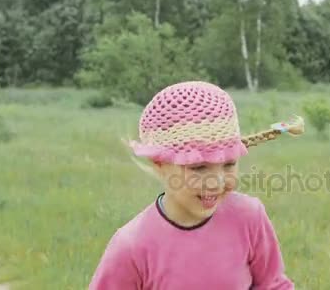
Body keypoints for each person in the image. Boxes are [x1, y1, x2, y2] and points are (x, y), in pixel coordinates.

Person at [89, 81, 295, 289]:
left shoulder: (249, 217)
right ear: (160, 163)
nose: (217, 182)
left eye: (229, 164)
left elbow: (273, 284)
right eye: (198, 167)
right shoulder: (131, 247)